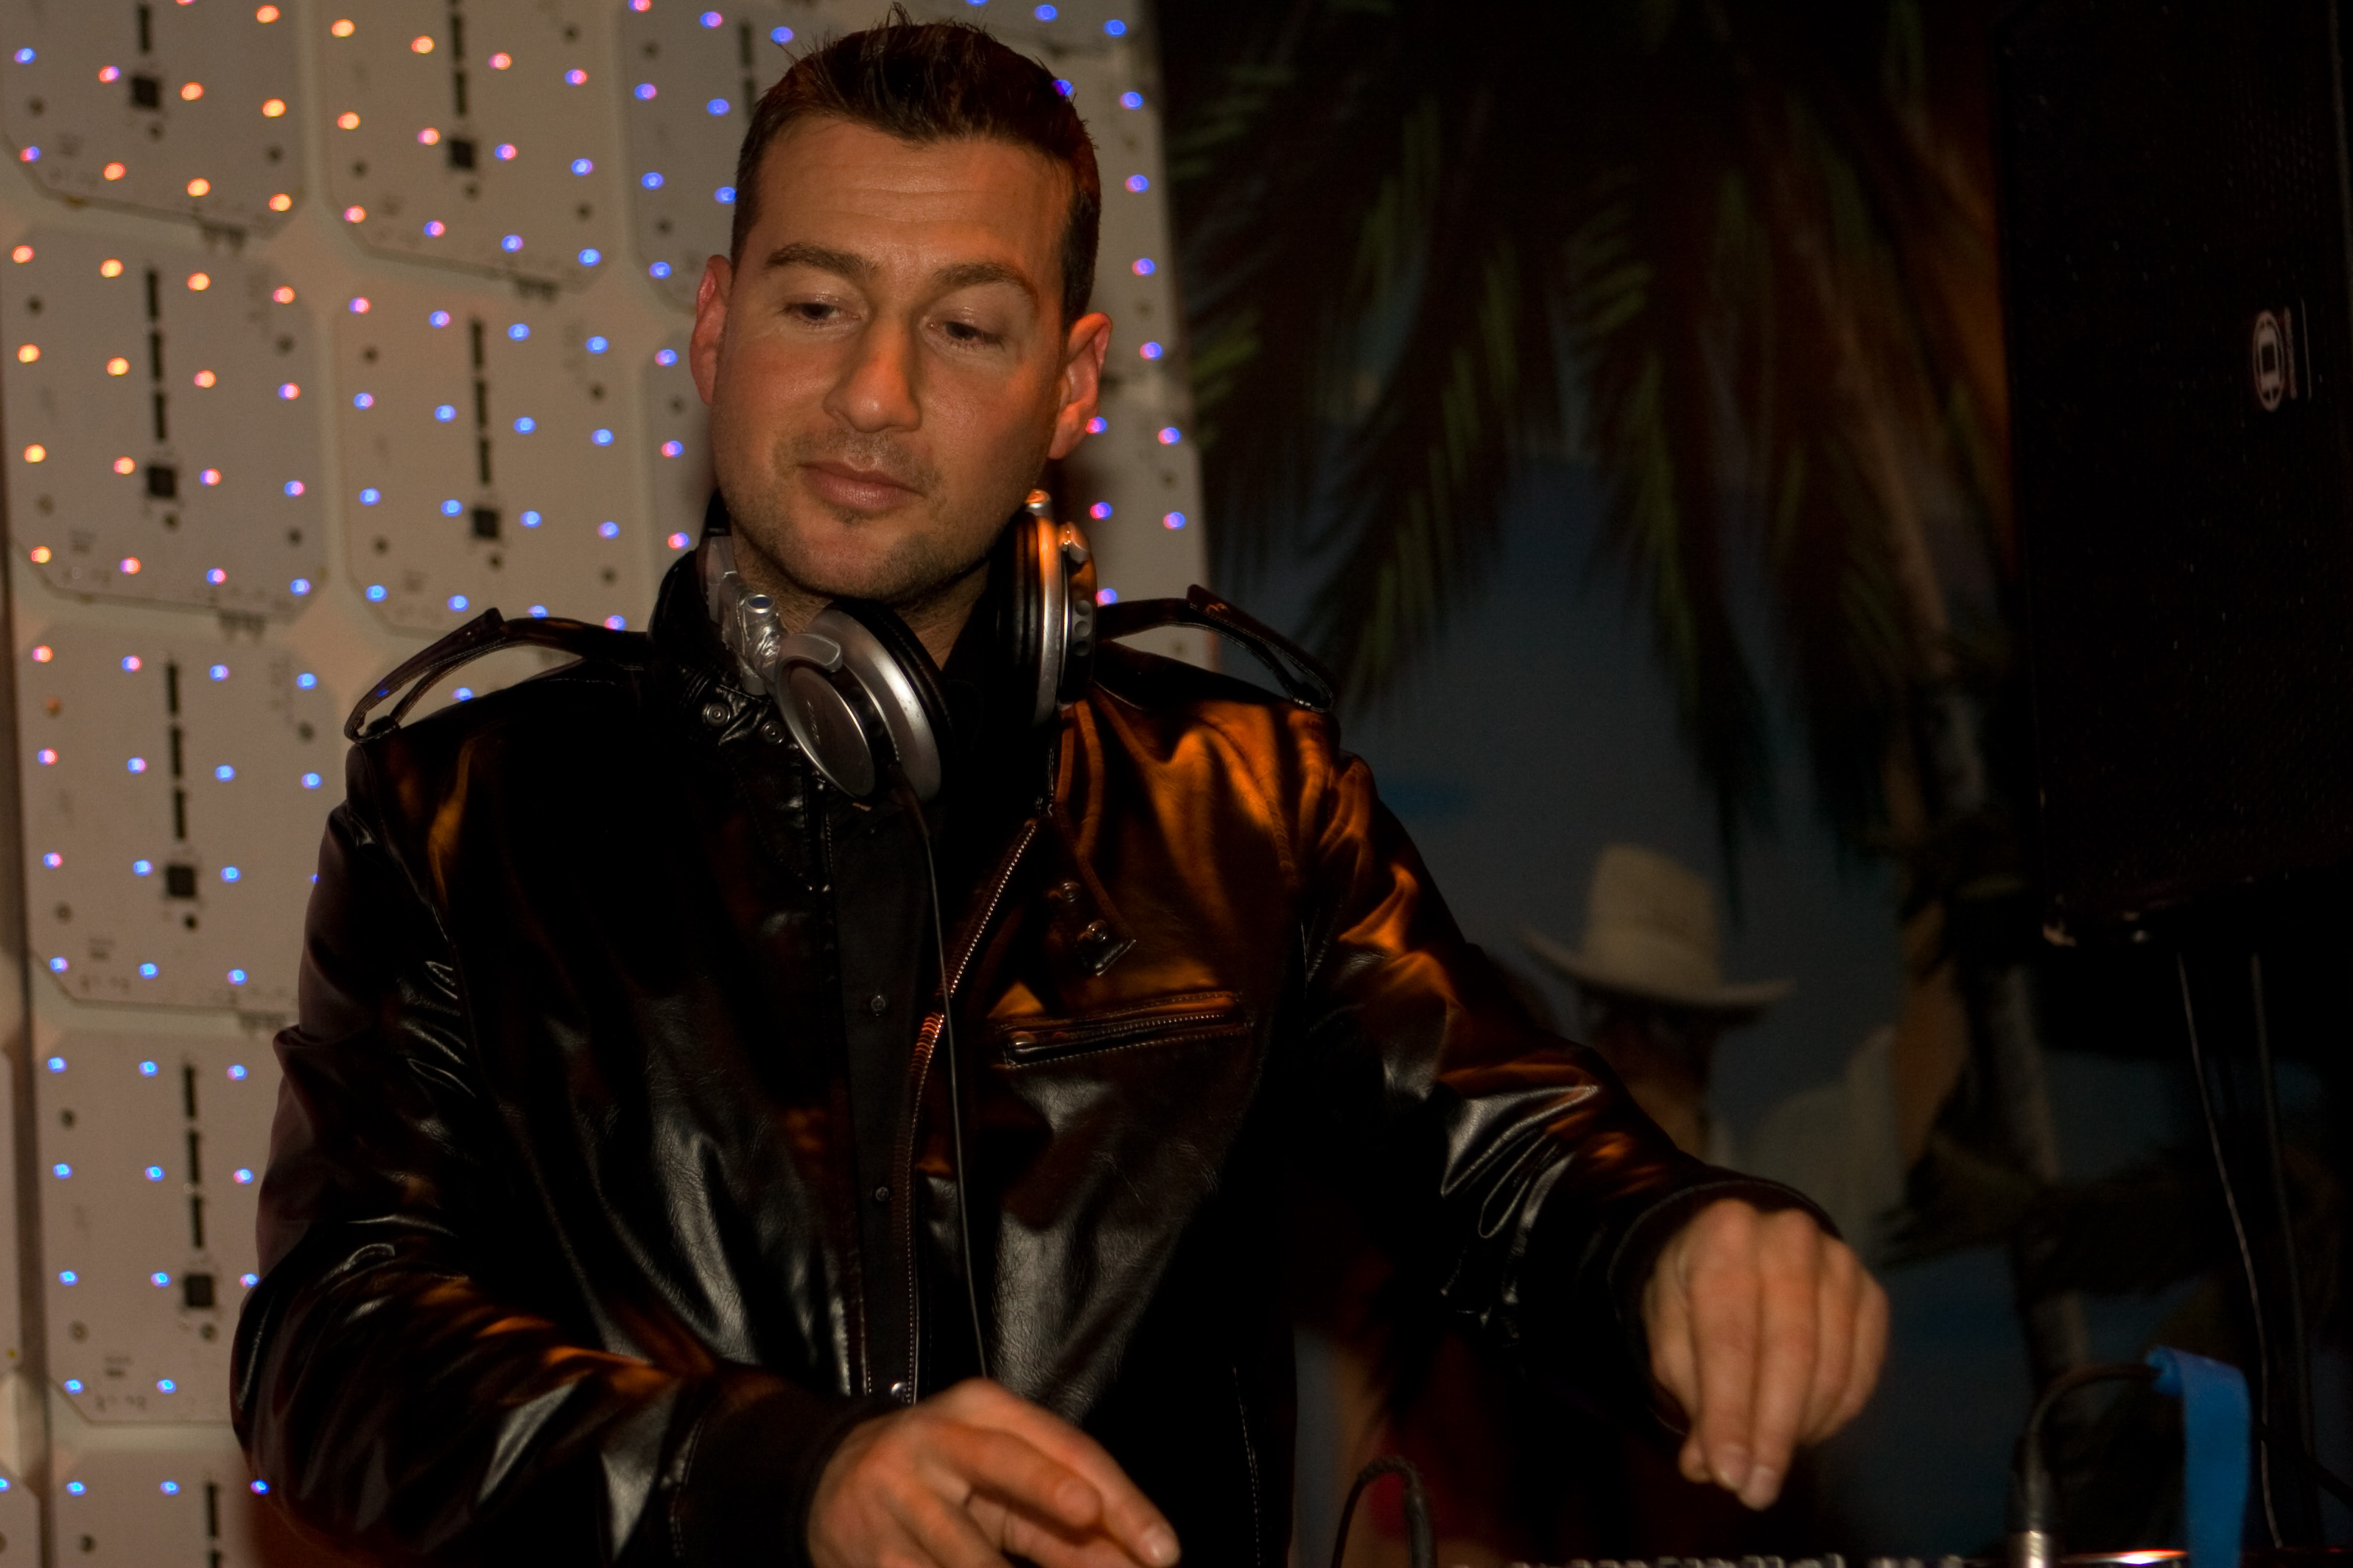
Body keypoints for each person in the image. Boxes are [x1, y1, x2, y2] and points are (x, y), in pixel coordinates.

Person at [231, 18, 1889, 1568]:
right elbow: (332, 1346)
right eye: (816, 307)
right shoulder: (458, 816)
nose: (874, 394)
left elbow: (1503, 1153)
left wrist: (1677, 1242)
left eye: (964, 328)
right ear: (718, 326)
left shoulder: (1248, 804)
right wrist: (776, 1478)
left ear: (1073, 386)